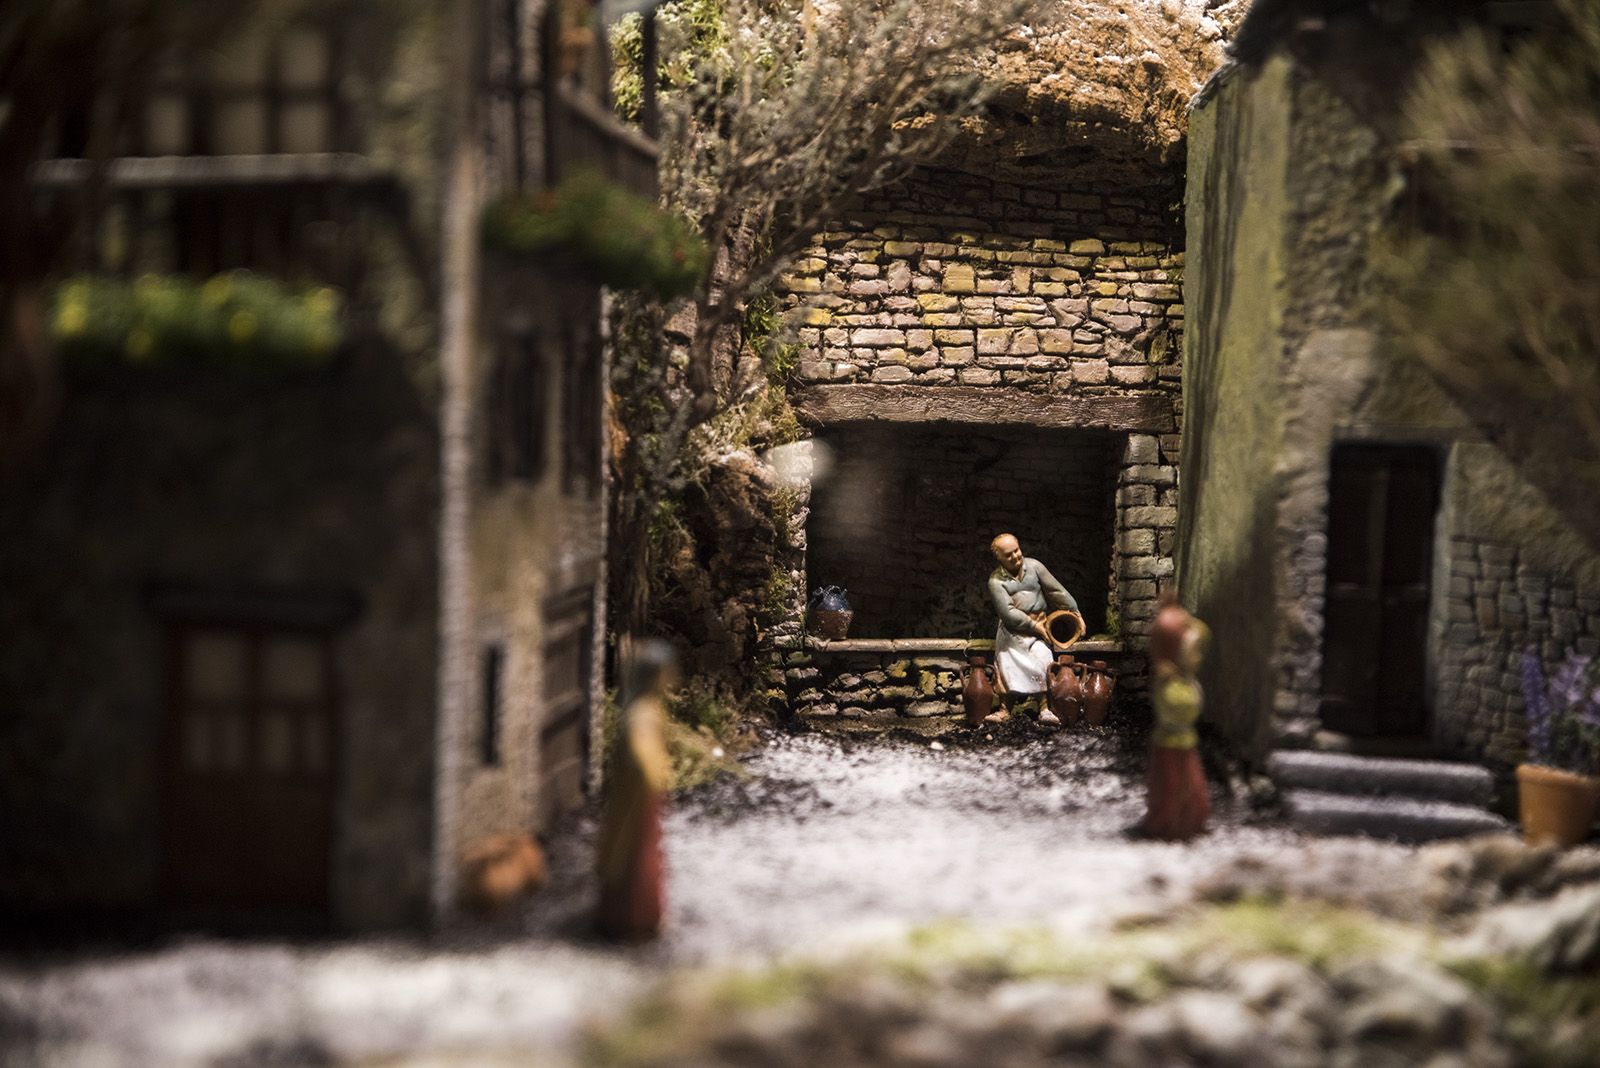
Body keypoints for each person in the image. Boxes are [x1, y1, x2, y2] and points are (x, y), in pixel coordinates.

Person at [595, 640, 676, 941]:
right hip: (638, 793)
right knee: (635, 851)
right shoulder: (642, 713)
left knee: (641, 849)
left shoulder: (648, 708)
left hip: (639, 790)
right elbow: (641, 750)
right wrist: (657, 773)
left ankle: (635, 913)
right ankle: (633, 916)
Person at [986, 533, 1080, 725]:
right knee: (1007, 667)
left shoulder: (1035, 567)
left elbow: (1056, 591)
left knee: (1042, 661)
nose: (1015, 556)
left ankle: (1044, 709)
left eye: (1017, 550)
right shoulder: (996, 581)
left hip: (1041, 627)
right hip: (1012, 632)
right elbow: (1008, 612)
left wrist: (1075, 611)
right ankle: (1005, 709)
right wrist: (1033, 626)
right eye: (1008, 555)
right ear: (999, 558)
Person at [1140, 596, 1212, 840]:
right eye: (1194, 652)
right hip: (1171, 744)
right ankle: (1170, 824)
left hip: (1185, 742)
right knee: (1171, 787)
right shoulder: (1172, 687)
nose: (1199, 657)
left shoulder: (1184, 681)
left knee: (1189, 787)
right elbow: (1182, 708)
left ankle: (1189, 819)